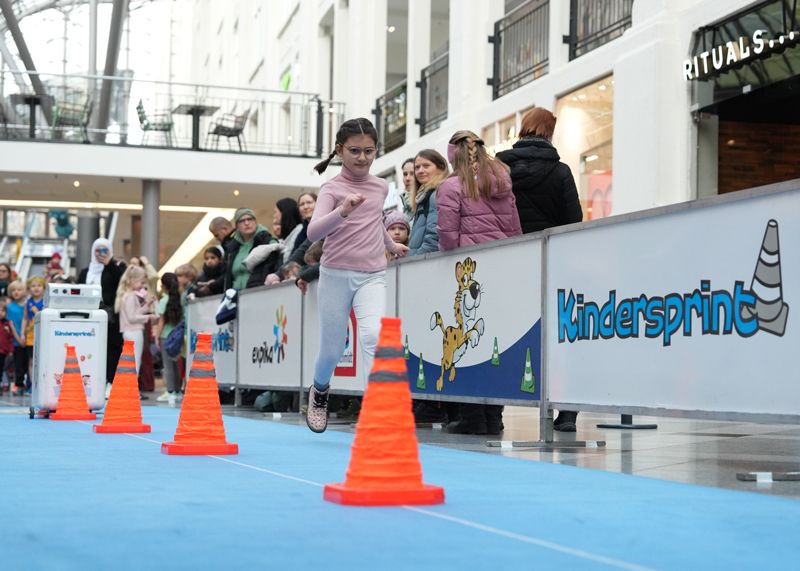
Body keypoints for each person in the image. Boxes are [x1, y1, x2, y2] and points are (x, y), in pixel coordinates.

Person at [305, 117, 408, 433]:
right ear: (339, 150)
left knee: (373, 336)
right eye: (354, 151)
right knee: (332, 350)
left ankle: (374, 409)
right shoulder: (331, 189)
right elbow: (312, 233)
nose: (362, 158)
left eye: (369, 151)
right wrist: (342, 212)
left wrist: (391, 243)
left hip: (372, 274)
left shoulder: (380, 186)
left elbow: (375, 221)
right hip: (335, 273)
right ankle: (319, 391)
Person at [497, 107, 583, 432]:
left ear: (523, 129)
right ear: (549, 132)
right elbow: (573, 219)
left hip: (512, 259)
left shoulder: (501, 167)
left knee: (507, 332)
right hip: (553, 260)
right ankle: (568, 412)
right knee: (558, 336)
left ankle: (495, 409)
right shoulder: (561, 172)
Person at [436, 130, 522, 435]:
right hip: (501, 268)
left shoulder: (450, 187)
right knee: (494, 341)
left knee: (470, 343)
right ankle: (494, 416)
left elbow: (447, 236)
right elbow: (515, 228)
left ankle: (474, 416)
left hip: (469, 271)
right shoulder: (503, 182)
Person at [78, 238, 127, 393]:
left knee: (112, 349)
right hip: (88, 315)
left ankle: (110, 381)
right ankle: (89, 379)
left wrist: (109, 264)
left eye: (104, 250)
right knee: (89, 347)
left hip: (109, 316)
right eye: (98, 250)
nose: (101, 254)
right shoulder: (86, 272)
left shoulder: (115, 269)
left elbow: (122, 282)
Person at [115, 266, 158, 376]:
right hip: (134, 332)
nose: (142, 286)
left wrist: (147, 305)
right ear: (133, 280)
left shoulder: (126, 295)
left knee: (131, 363)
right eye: (141, 282)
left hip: (129, 332)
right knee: (135, 363)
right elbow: (132, 317)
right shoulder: (130, 296)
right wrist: (148, 317)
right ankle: (133, 389)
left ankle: (131, 389)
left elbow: (134, 313)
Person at [223, 208, 277, 291]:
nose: (247, 223)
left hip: (258, 292)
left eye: (250, 219)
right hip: (235, 296)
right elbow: (228, 277)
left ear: (255, 222)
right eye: (242, 221)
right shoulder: (232, 248)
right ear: (237, 226)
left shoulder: (267, 241)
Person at [408, 149, 449, 256]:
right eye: (417, 167)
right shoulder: (423, 196)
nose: (420, 171)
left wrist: (415, 260)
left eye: (426, 166)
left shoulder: (436, 194)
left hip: (425, 263)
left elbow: (434, 237)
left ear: (440, 167)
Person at [128, 256, 159, 393]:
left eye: (137, 264)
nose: (133, 267)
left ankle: (146, 384)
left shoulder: (147, 285)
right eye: (131, 264)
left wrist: (146, 262)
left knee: (144, 352)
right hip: (130, 320)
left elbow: (154, 276)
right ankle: (134, 383)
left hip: (144, 319)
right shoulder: (128, 285)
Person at [155, 273, 183, 403]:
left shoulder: (164, 300)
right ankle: (177, 390)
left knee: (168, 365)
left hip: (166, 336)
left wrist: (156, 337)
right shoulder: (181, 299)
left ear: (164, 286)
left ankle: (170, 391)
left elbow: (161, 321)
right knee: (177, 364)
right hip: (178, 336)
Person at [21, 277, 45, 389]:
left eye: (39, 286)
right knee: (31, 361)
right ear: (29, 288)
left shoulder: (46, 301)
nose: (36, 288)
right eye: (33, 286)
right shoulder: (28, 302)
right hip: (31, 337)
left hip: (43, 335)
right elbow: (25, 319)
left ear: (44, 288)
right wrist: (22, 334)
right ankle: (33, 386)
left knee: (42, 360)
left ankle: (42, 384)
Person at [7, 281, 27, 395]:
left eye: (19, 290)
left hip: (29, 339)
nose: (16, 292)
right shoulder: (10, 307)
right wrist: (19, 339)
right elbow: (11, 324)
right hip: (16, 340)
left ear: (24, 291)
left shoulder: (28, 305)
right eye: (13, 290)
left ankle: (30, 385)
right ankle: (19, 385)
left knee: (29, 363)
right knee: (19, 364)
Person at [0, 303, 14, 393]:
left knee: (1, 369)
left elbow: (10, 338)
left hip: (3, 351)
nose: (0, 312)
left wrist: (11, 350)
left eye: (3, 311)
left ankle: (1, 385)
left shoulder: (7, 324)